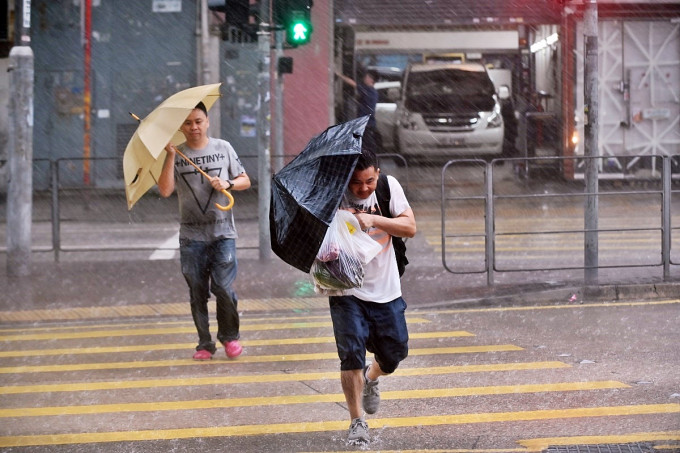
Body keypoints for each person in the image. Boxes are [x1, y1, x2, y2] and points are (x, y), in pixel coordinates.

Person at [330, 144, 416, 445]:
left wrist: (374, 220)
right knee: (350, 353)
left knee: (395, 353)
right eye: (357, 183)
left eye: (369, 181)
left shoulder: (389, 187)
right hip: (345, 288)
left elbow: (410, 227)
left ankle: (371, 378)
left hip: (386, 288)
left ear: (378, 173)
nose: (364, 188)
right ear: (346, 179)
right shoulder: (333, 193)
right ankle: (357, 422)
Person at [158, 101, 251, 361]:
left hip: (223, 233)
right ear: (181, 127)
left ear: (207, 121)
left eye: (198, 121)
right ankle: (204, 343)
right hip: (191, 236)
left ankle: (230, 336)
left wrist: (228, 182)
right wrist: (169, 155)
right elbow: (165, 190)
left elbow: (245, 180)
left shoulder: (224, 148)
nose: (194, 127)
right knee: (197, 292)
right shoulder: (177, 153)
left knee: (223, 287)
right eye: (187, 123)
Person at [336, 68, 383, 153]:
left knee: (367, 146)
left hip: (366, 124)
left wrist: (339, 75)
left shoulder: (367, 90)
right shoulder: (373, 92)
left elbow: (353, 83)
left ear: (371, 79)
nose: (364, 78)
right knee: (365, 146)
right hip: (369, 123)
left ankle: (371, 163)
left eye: (366, 76)